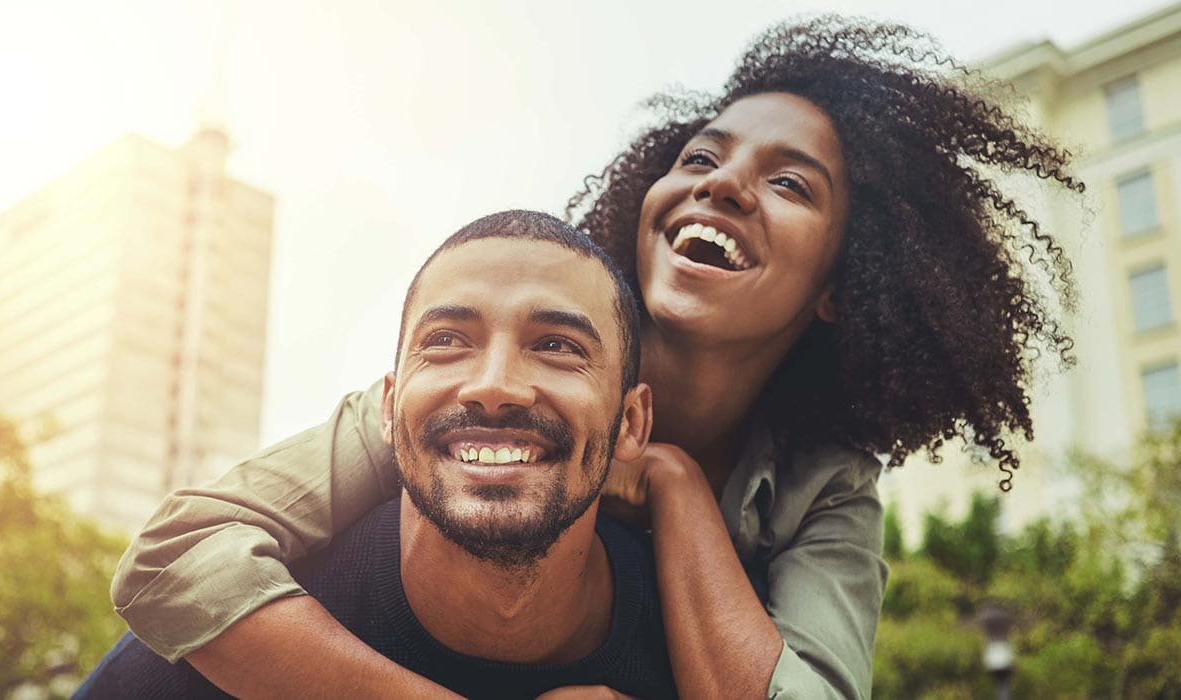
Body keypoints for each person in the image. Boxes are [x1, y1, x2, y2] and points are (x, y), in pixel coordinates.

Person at [109, 15, 1083, 699]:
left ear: (846, 281)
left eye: (789, 182)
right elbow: (177, 557)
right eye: (700, 158)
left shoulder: (825, 490)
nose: (724, 186)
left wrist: (671, 485)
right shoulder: (495, 382)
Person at [78, 211, 676, 699]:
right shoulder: (225, 647)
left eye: (556, 345)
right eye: (445, 341)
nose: (494, 385)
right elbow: (167, 563)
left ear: (631, 422)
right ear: (386, 409)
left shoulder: (684, 647)